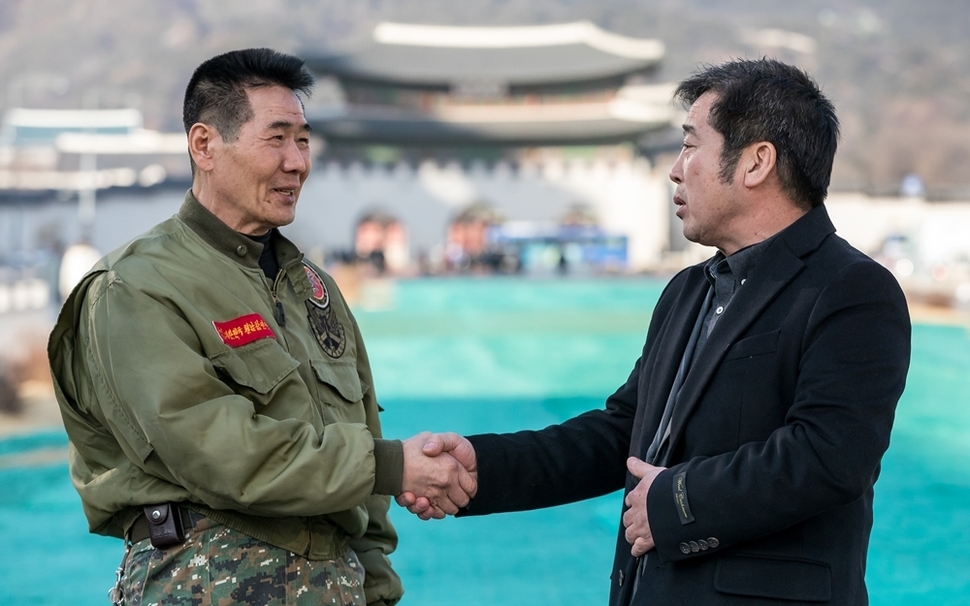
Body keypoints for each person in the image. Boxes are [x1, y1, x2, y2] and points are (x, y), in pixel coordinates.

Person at [400, 58, 912, 605]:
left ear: (757, 162)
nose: (675, 169)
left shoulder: (850, 289)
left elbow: (830, 456)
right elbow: (624, 432)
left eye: (691, 145)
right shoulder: (688, 291)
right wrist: (485, 469)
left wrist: (676, 503)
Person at [48, 48, 472, 606]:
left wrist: (377, 589)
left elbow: (361, 479)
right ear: (204, 146)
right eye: (276, 139)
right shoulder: (136, 286)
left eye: (303, 140)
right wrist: (392, 465)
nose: (296, 162)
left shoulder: (312, 288)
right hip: (203, 583)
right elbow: (218, 450)